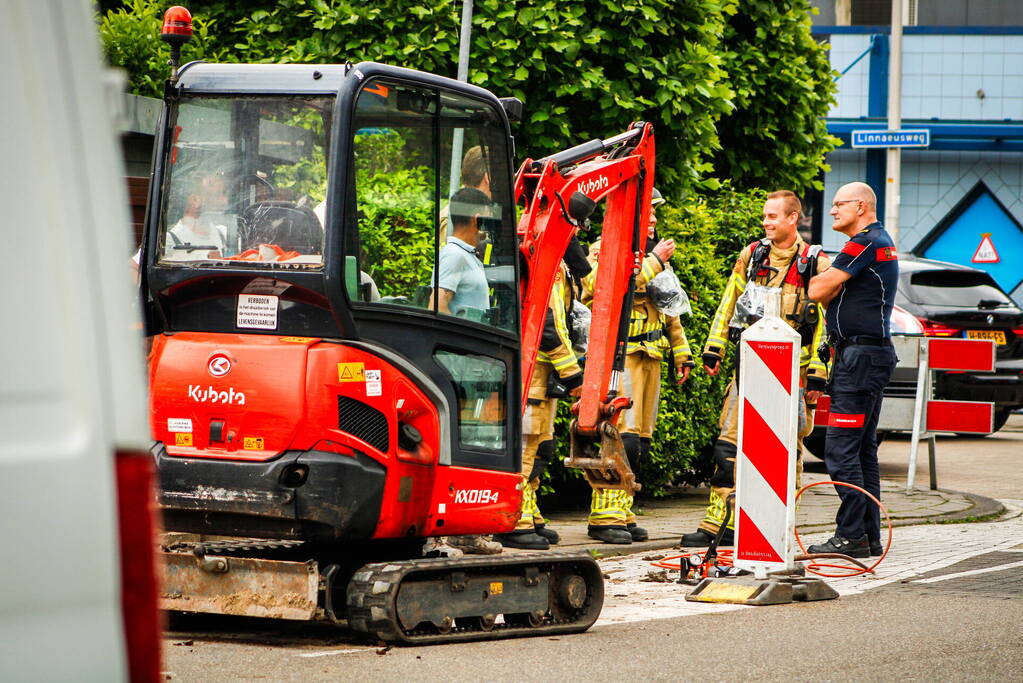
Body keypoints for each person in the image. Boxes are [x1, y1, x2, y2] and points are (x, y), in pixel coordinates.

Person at [680, 190, 830, 547]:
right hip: (749, 368)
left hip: (793, 375)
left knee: (784, 453)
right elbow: (729, 301)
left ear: (793, 218)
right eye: (765, 216)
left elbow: (825, 325)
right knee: (728, 447)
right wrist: (714, 348)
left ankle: (776, 524)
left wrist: (819, 374)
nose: (766, 222)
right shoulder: (752, 255)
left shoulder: (814, 263)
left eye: (773, 216)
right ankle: (720, 523)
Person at [583, 188, 695, 544]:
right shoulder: (605, 249)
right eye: (649, 215)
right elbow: (602, 286)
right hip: (622, 357)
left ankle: (624, 508)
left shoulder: (651, 255)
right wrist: (655, 263)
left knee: (639, 443)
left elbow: (669, 309)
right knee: (617, 437)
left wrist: (682, 352)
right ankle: (605, 514)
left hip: (651, 358)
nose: (655, 222)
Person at [806, 181, 899, 559]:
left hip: (859, 360)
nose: (832, 211)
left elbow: (816, 290)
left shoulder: (864, 242)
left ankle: (851, 536)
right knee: (863, 451)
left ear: (861, 206)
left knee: (841, 450)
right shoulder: (879, 240)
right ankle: (868, 534)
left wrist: (823, 277)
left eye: (839, 205)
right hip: (869, 356)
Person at [494, 257, 586, 550]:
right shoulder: (539, 256)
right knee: (525, 445)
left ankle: (529, 514)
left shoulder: (556, 259)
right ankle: (513, 520)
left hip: (542, 371)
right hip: (532, 369)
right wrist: (572, 374)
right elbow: (546, 324)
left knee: (540, 447)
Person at [431, 187, 491, 319]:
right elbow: (437, 307)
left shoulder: (466, 254)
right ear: (477, 219)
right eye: (488, 218)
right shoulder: (454, 255)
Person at [163, 173, 233, 260]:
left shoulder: (222, 235)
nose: (225, 201)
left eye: (225, 194)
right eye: (217, 195)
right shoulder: (169, 241)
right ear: (195, 200)